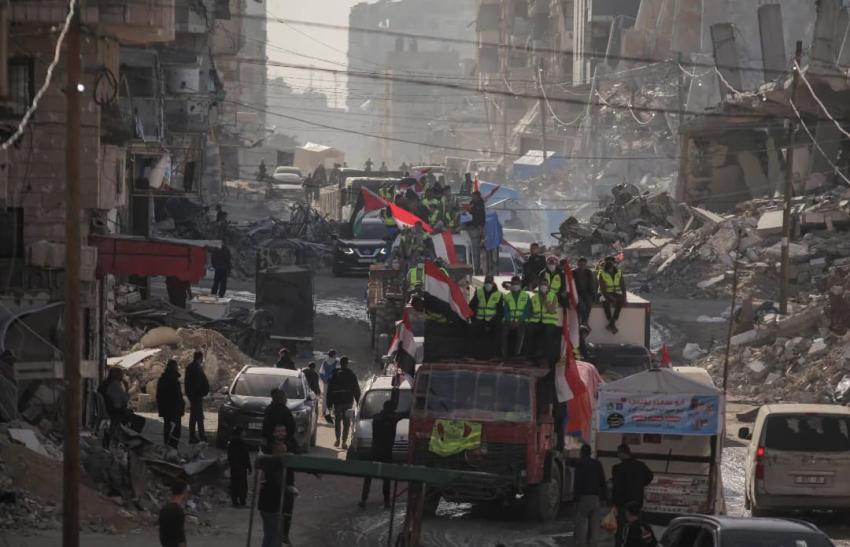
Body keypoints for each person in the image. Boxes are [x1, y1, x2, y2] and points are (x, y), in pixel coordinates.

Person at [359, 399, 403, 509]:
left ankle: (364, 500)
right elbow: (403, 414)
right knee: (386, 478)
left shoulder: (377, 417)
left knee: (368, 477)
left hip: (375, 451)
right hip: (386, 452)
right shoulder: (393, 418)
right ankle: (386, 501)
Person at [258, 426, 295, 547]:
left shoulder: (270, 462)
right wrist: (289, 489)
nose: (284, 455)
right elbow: (279, 483)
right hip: (273, 506)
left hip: (267, 505)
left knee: (269, 535)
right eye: (282, 453)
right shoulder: (275, 466)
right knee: (275, 537)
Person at [612, 444, 654, 547]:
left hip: (623, 504)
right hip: (637, 502)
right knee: (637, 527)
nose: (618, 456)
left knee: (621, 529)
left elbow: (616, 488)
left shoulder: (618, 468)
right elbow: (650, 476)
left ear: (622, 453)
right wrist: (641, 484)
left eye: (618, 453)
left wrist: (614, 503)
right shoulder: (640, 465)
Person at [572, 444, 608, 547]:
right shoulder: (597, 464)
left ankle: (582, 544)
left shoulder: (580, 464)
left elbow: (577, 483)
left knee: (582, 522)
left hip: (584, 497)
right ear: (590, 452)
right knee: (595, 524)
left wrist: (575, 500)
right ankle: (594, 544)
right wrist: (604, 498)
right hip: (595, 498)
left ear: (581, 453)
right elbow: (602, 482)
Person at [327, 356, 361, 449]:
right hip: (348, 402)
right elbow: (356, 389)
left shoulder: (335, 374)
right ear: (347, 363)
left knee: (337, 421)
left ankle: (337, 439)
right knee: (346, 422)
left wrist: (329, 403)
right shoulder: (351, 374)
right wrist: (359, 402)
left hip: (337, 402)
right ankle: (344, 442)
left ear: (340, 363)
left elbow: (330, 389)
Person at [527, 279, 561, 365]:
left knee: (548, 334)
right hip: (536, 321)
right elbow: (530, 311)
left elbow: (552, 310)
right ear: (539, 286)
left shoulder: (553, 296)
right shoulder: (534, 297)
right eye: (541, 284)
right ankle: (532, 357)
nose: (543, 286)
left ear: (548, 286)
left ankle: (549, 359)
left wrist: (545, 300)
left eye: (545, 284)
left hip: (549, 321)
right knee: (529, 330)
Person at [98, 366, 131, 448]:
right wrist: (127, 388)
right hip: (113, 411)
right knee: (134, 418)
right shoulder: (114, 385)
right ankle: (124, 440)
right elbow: (124, 399)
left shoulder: (105, 383)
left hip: (108, 409)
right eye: (121, 374)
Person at [156, 359, 185, 448]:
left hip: (166, 410)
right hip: (175, 410)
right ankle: (172, 448)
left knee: (167, 429)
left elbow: (158, 396)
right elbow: (178, 396)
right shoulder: (174, 380)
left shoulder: (162, 380)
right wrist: (181, 407)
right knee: (175, 431)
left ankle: (167, 447)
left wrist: (161, 409)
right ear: (174, 367)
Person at [184, 350, 210, 444]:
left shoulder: (192, 367)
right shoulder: (195, 368)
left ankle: (193, 436)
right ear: (200, 358)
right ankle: (200, 436)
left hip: (194, 395)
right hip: (196, 396)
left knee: (194, 416)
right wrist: (201, 392)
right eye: (202, 358)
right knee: (199, 417)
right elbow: (198, 383)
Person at [262, 388, 297, 454]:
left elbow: (265, 428)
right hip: (284, 443)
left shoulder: (269, 409)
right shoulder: (286, 411)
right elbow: (291, 427)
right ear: (283, 399)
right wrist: (285, 441)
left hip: (271, 443)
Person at [501, 276, 530, 357]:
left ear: (520, 284)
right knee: (504, 332)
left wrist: (519, 321)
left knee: (520, 333)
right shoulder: (507, 296)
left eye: (517, 284)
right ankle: (504, 354)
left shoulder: (526, 296)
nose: (515, 285)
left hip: (521, 321)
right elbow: (505, 310)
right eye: (513, 284)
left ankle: (517, 354)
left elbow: (527, 311)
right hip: (509, 321)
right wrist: (509, 321)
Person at [598, 256, 627, 333]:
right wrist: (611, 298)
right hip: (604, 293)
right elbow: (603, 290)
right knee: (605, 301)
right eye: (608, 262)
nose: (610, 264)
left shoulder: (619, 272)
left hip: (615, 293)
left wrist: (624, 297)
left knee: (620, 300)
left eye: (611, 262)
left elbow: (623, 285)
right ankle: (611, 322)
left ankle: (612, 323)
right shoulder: (602, 273)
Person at [159, 480, 189, 547]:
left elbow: (162, 531)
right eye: (187, 491)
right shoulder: (178, 511)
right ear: (184, 492)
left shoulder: (164, 509)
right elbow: (180, 534)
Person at [227, 426, 252, 507]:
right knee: (242, 484)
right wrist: (249, 466)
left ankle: (234, 501)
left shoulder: (231, 443)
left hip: (234, 467)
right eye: (244, 431)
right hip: (241, 467)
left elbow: (230, 456)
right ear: (240, 433)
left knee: (234, 483)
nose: (245, 433)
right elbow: (245, 456)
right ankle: (242, 501)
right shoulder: (242, 443)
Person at [465, 190, 486, 275]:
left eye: (474, 196)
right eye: (472, 196)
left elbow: (481, 216)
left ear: (477, 196)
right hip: (471, 224)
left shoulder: (480, 204)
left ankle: (477, 268)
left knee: (476, 250)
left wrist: (480, 226)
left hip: (477, 226)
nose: (473, 197)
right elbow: (470, 211)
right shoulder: (472, 202)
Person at [573, 258, 597, 327]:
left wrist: (594, 295)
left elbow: (593, 284)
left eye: (583, 264)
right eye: (580, 264)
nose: (582, 266)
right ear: (578, 264)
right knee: (582, 306)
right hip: (576, 292)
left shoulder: (589, 272)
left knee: (589, 304)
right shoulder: (573, 272)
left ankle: (584, 322)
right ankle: (584, 323)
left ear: (586, 264)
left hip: (587, 292)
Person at [319, 349, 339, 417]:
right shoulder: (336, 362)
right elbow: (338, 372)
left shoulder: (325, 362)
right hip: (334, 382)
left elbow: (321, 372)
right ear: (333, 355)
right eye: (335, 354)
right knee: (334, 396)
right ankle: (333, 411)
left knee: (325, 396)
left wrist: (324, 380)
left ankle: (324, 411)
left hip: (326, 382)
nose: (336, 355)